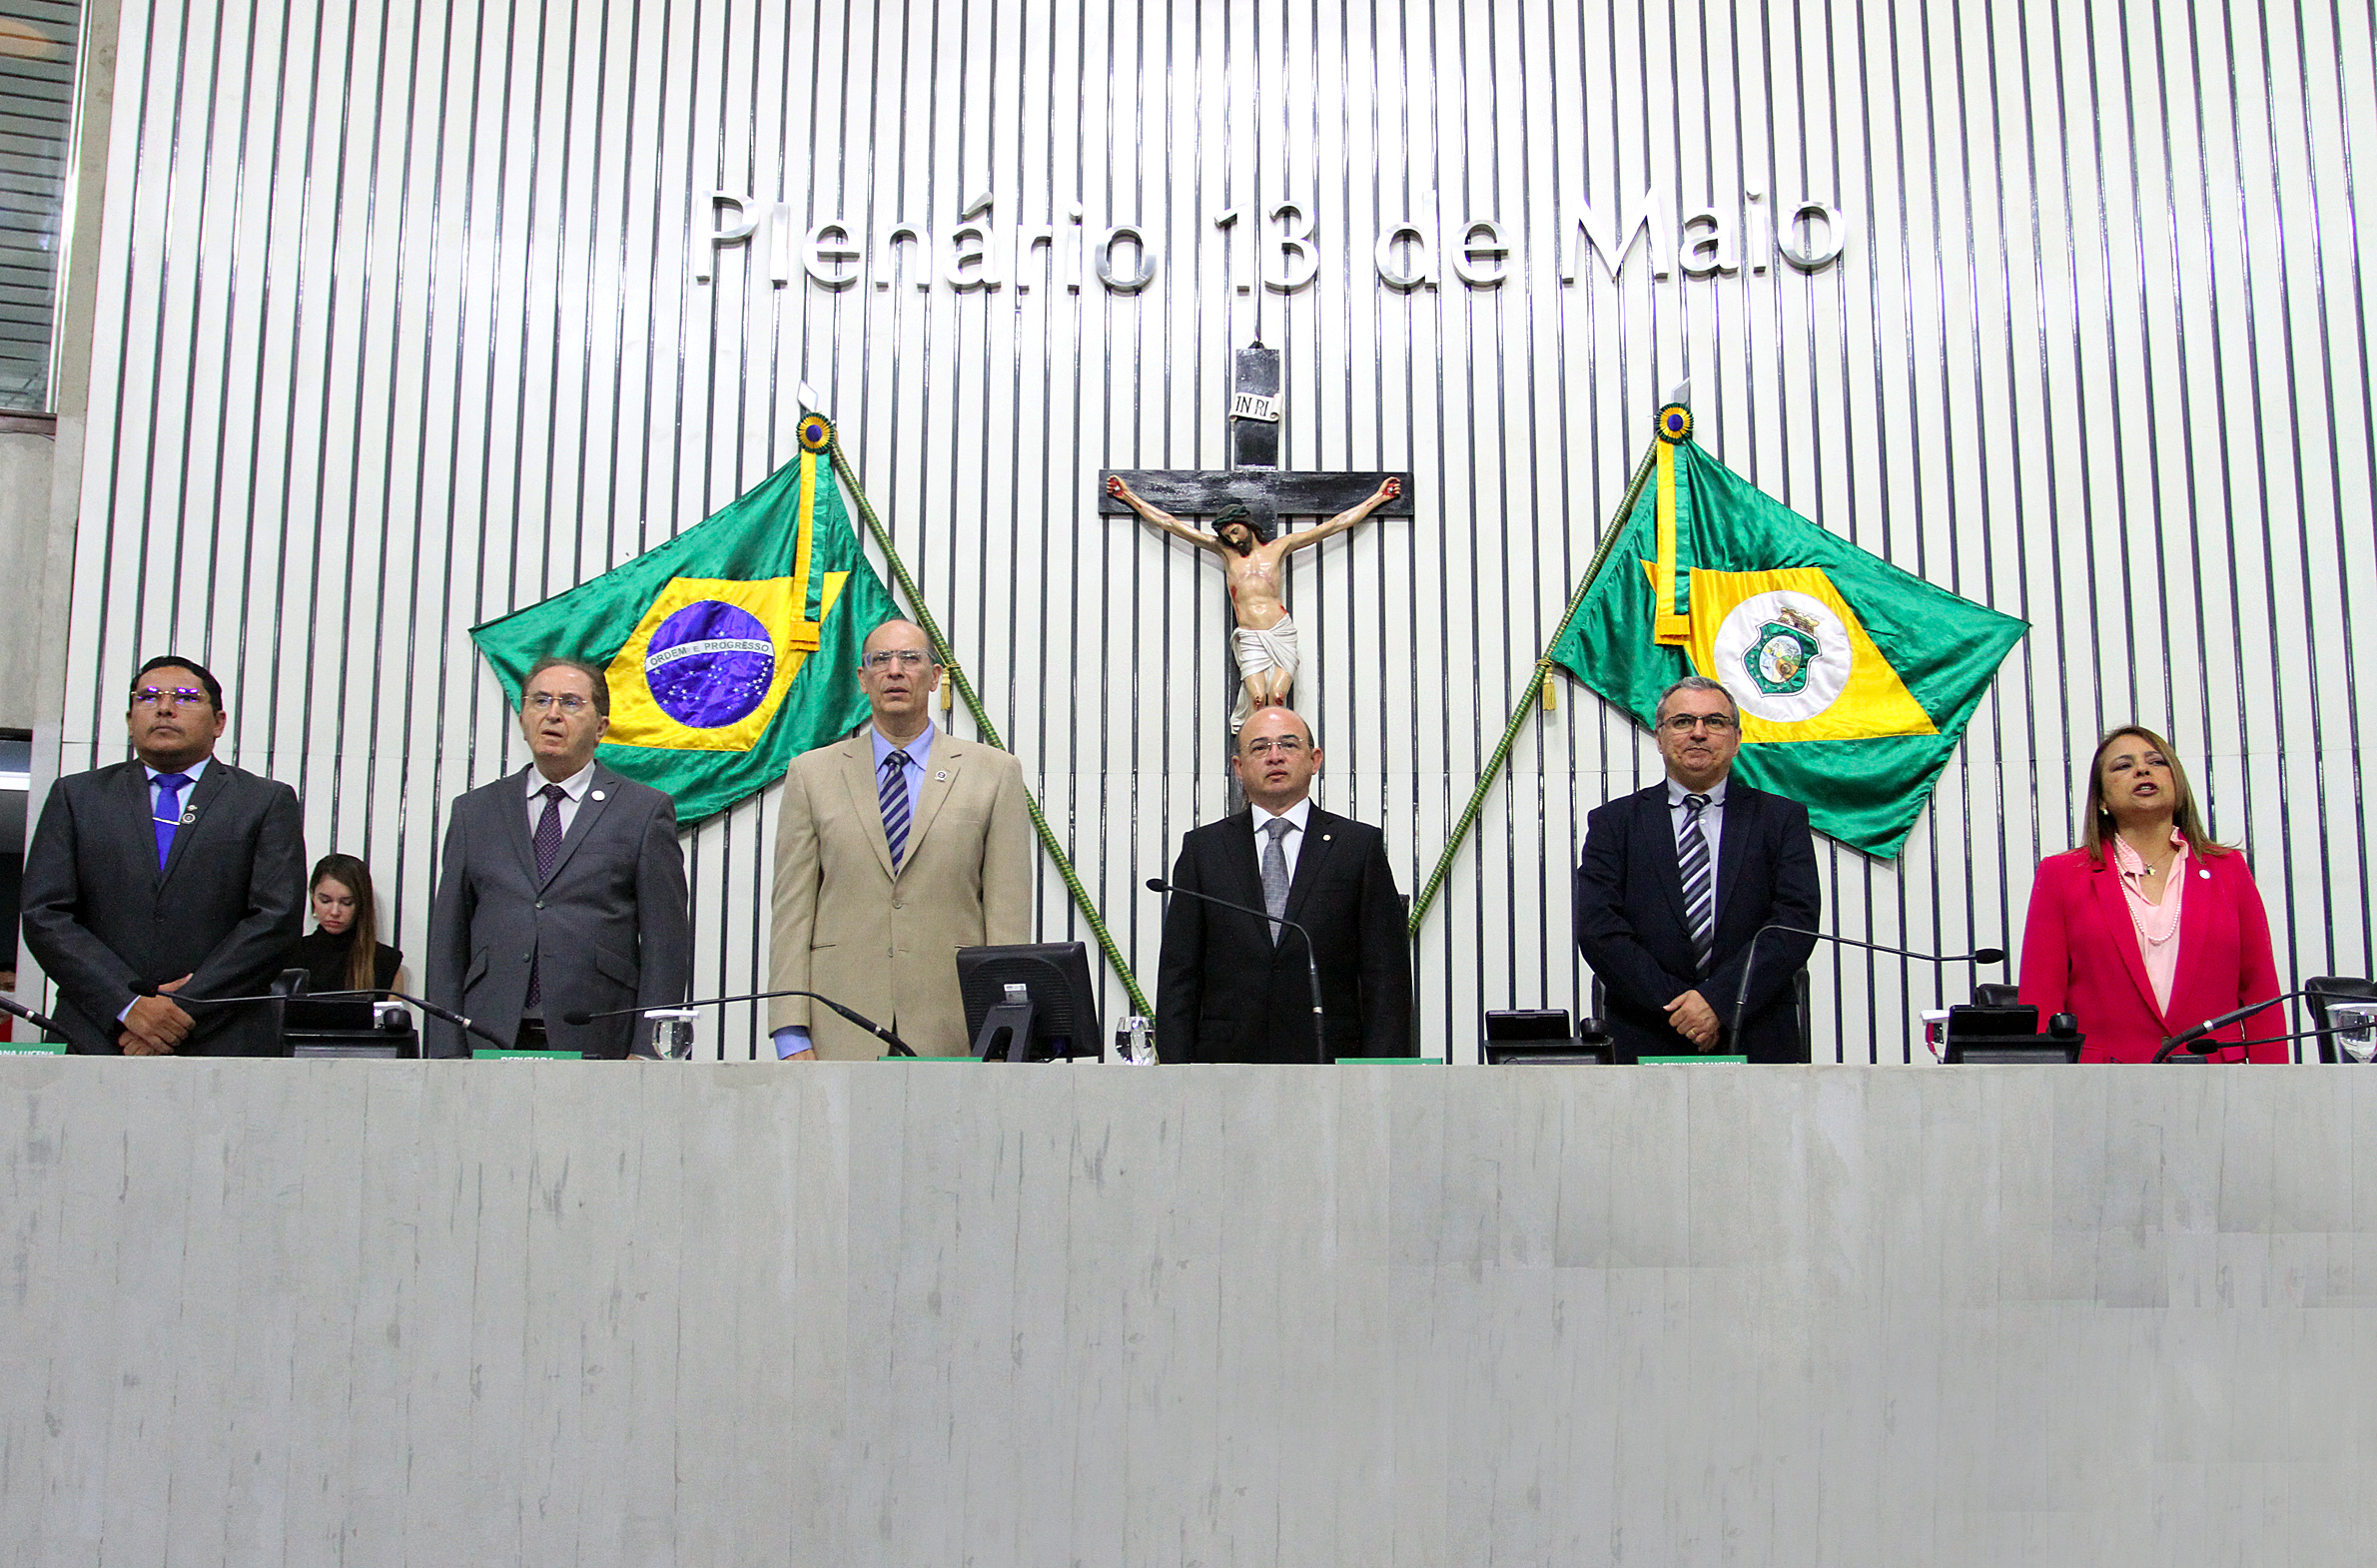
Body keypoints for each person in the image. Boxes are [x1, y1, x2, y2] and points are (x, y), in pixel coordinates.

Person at [769, 619, 1034, 1059]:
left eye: (910, 658)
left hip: (955, 1024)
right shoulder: (811, 775)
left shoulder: (994, 773)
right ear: (862, 678)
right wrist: (790, 1032)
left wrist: (1007, 1027)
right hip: (839, 1025)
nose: (894, 670)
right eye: (880, 660)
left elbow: (1008, 916)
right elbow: (791, 913)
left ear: (934, 677)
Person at [19, 655, 307, 1055]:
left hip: (221, 1034)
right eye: (148, 697)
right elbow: (44, 914)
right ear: (129, 719)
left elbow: (276, 919)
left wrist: (180, 1010)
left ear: (219, 722)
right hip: (97, 1031)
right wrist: (127, 1005)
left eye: (186, 697)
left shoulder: (264, 801)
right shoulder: (77, 797)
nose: (165, 707)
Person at [424, 657, 691, 1058]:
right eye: (540, 700)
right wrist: (446, 1050)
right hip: (487, 1031)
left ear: (600, 727)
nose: (552, 714)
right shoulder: (474, 812)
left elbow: (665, 946)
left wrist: (649, 1049)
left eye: (570, 702)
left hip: (600, 1033)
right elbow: (447, 942)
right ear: (522, 718)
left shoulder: (642, 811)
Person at [1572, 675, 1821, 1063]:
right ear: (1659, 737)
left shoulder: (1780, 819)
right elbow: (1599, 929)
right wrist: (1683, 1009)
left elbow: (1794, 923)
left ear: (1736, 740)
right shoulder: (1614, 823)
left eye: (1715, 722)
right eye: (1683, 721)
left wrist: (1717, 1003)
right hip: (1647, 1030)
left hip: (1756, 1031)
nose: (1699, 733)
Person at [1154, 705, 1412, 1062]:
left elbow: (1386, 977)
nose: (1274, 756)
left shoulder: (1357, 846)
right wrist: (1175, 1072)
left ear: (1315, 759)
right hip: (1223, 1063)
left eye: (1288, 745)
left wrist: (1381, 1073)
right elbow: (1178, 975)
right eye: (1260, 747)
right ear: (1239, 767)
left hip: (1329, 1059)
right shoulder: (1204, 849)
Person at [2017, 725, 2282, 1062]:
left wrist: (2275, 1085)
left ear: (2177, 784)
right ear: (2101, 799)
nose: (2142, 770)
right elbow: (2041, 998)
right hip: (2102, 1079)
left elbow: (2260, 993)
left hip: (2214, 1077)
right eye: (2123, 765)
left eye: (2156, 762)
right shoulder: (2062, 875)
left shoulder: (2228, 869)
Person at [1107, 473, 1402, 731]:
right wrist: (1129, 496)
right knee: (1258, 699)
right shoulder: (1225, 552)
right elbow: (1171, 524)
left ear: (1246, 524)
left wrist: (1378, 498)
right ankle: (1256, 747)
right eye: (1227, 536)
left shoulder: (1280, 547)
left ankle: (1280, 742)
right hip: (1249, 635)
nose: (1234, 540)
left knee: (1277, 697)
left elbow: (1334, 526)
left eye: (1235, 531)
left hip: (1279, 631)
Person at [282, 853, 403, 1031]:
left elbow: (391, 1035)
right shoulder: (290, 954)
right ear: (312, 897)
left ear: (361, 904)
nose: (334, 911)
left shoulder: (386, 962)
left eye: (346, 903)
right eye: (325, 900)